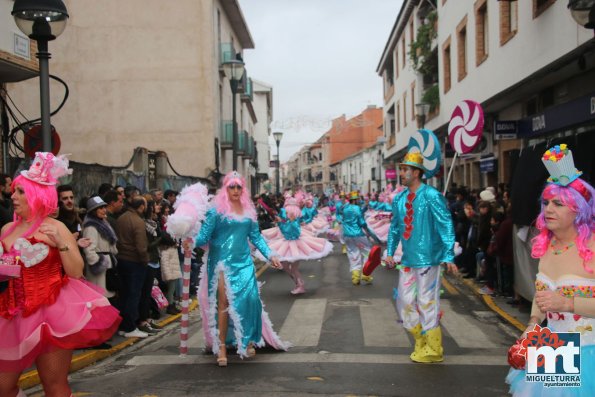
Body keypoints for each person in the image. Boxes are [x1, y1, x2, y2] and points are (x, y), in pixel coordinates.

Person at [0, 153, 120, 397]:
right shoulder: (6, 229)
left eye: (20, 192)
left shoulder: (56, 228)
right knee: (3, 386)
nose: (13, 196)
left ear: (36, 195)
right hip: (11, 313)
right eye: (14, 191)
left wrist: (60, 244)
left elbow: (76, 271)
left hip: (50, 313)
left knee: (54, 386)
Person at [506, 144, 595, 396]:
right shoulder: (546, 245)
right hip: (552, 346)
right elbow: (541, 295)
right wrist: (533, 323)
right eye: (546, 202)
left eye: (559, 203)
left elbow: (561, 301)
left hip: (589, 352)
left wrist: (568, 303)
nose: (549, 209)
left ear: (579, 208)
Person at [190, 171, 289, 367]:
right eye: (231, 187)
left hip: (244, 262)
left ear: (243, 189)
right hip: (220, 264)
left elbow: (257, 237)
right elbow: (203, 238)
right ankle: (222, 347)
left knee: (250, 301)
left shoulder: (248, 211)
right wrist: (188, 237)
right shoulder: (215, 211)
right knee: (223, 304)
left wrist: (271, 255)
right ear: (225, 189)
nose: (235, 190)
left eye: (239, 187)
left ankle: (247, 340)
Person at [385, 151, 457, 364]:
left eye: (405, 169)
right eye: (401, 169)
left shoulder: (432, 196)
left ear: (416, 173)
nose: (402, 173)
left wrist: (448, 255)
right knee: (404, 301)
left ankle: (433, 349)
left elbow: (446, 225)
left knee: (427, 302)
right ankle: (420, 338)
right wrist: (390, 252)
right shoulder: (399, 198)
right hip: (407, 260)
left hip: (428, 260)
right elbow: (395, 228)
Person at [265, 197, 333, 294]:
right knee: (284, 265)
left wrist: (288, 222)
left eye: (287, 212)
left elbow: (295, 232)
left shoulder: (294, 221)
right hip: (286, 243)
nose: (286, 214)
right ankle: (299, 283)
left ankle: (300, 285)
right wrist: (280, 222)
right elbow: (285, 230)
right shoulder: (289, 220)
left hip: (296, 244)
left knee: (293, 268)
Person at [115, 196, 150, 338]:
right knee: (133, 295)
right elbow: (141, 247)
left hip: (121, 259)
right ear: (141, 206)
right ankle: (130, 327)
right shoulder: (138, 222)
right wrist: (145, 261)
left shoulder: (121, 218)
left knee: (124, 294)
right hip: (134, 261)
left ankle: (124, 326)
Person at [81, 196, 118, 300]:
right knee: (100, 298)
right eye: (100, 208)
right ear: (93, 211)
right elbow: (89, 250)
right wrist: (98, 264)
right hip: (99, 270)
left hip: (107, 265)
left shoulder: (103, 223)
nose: (104, 210)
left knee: (108, 295)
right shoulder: (91, 227)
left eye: (104, 207)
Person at [342, 191, 379, 285]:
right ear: (355, 200)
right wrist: (367, 231)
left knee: (352, 254)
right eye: (358, 199)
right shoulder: (356, 208)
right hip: (358, 234)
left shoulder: (345, 208)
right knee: (367, 252)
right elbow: (361, 221)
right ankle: (366, 274)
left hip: (347, 235)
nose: (359, 200)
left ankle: (355, 277)